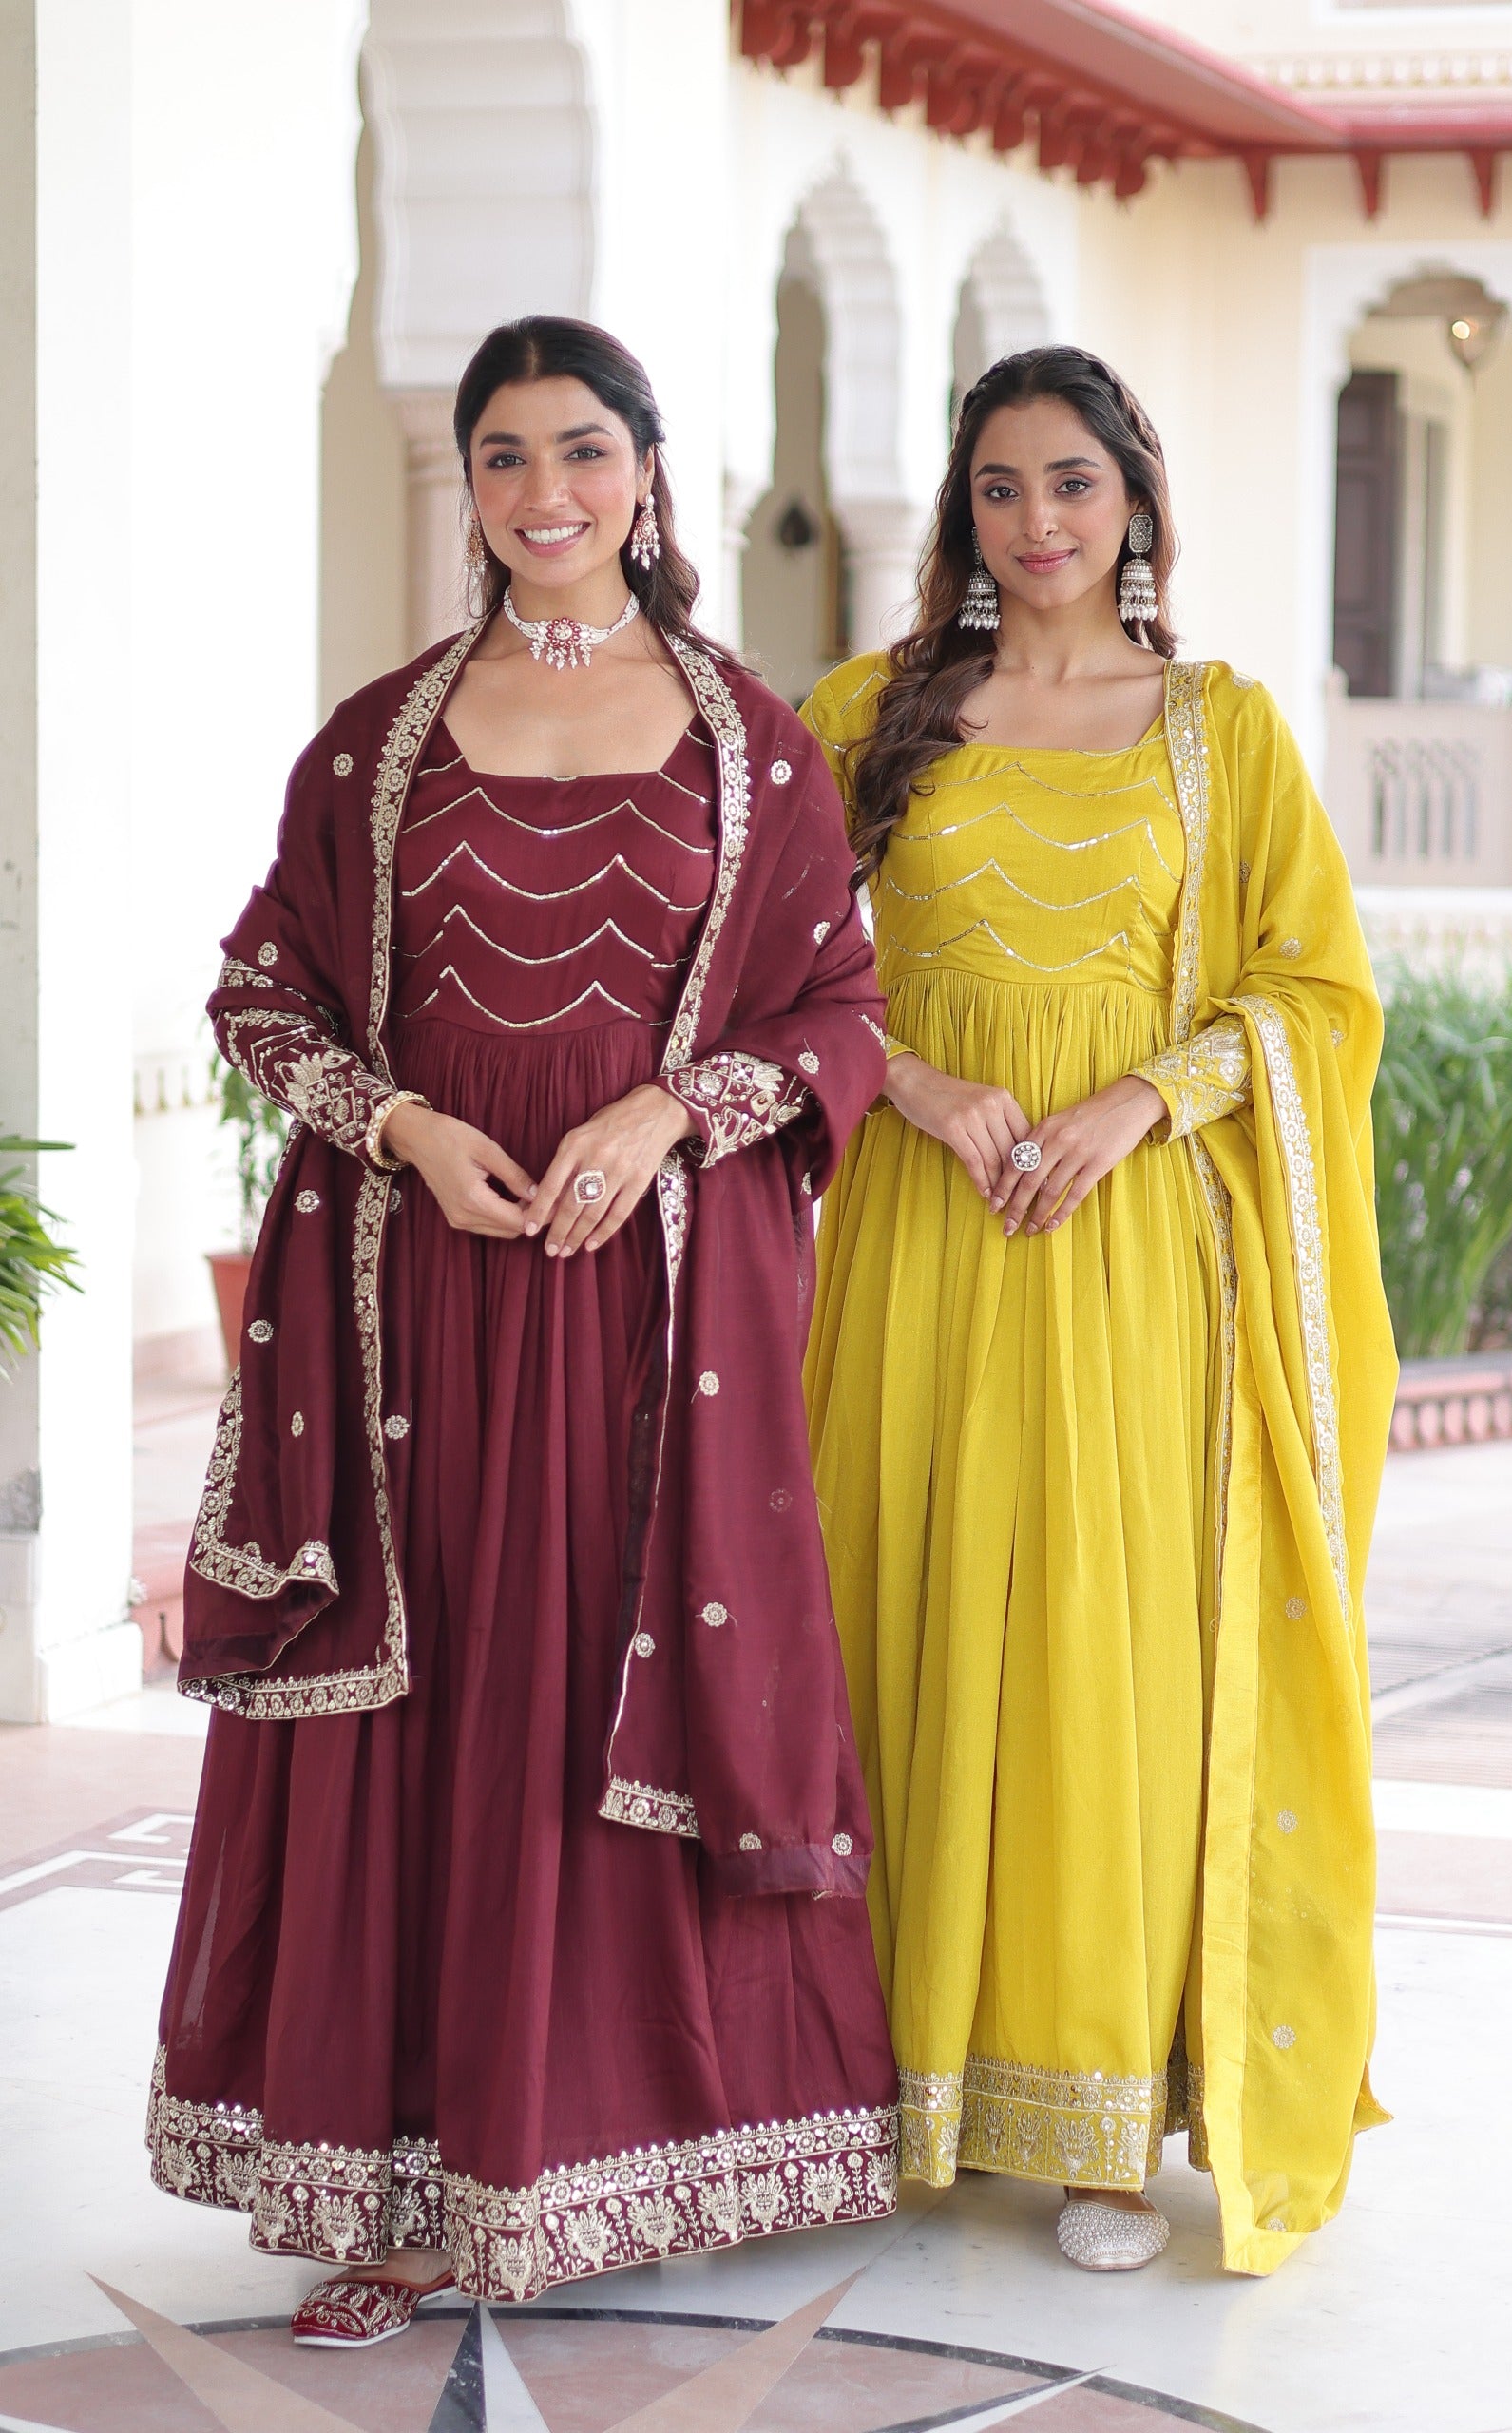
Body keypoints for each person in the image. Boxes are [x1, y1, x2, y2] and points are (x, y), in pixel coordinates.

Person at [146, 316, 898, 2346]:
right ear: (466, 485)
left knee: (585, 1700)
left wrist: (668, 1115)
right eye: (501, 456)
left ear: (652, 471)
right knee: (429, 1711)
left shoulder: (752, 744)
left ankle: (590, 2151)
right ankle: (406, 2182)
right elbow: (266, 995)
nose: (543, 492)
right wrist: (397, 1120)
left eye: (581, 449)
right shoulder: (381, 731)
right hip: (418, 1310)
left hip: (647, 1317)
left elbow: (836, 1008)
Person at [802, 346, 1396, 2278]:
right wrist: (909, 1078)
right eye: (997, 489)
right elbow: (765, 974)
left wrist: (1149, 1092)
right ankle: (875, 2077)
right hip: (916, 1237)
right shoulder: (871, 716)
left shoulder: (1217, 731)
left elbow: (1316, 991)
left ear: (1133, 495)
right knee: (893, 1613)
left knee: (1100, 1650)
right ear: (960, 513)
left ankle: (1095, 2118)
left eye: (1070, 483)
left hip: (1133, 1251)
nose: (1036, 524)